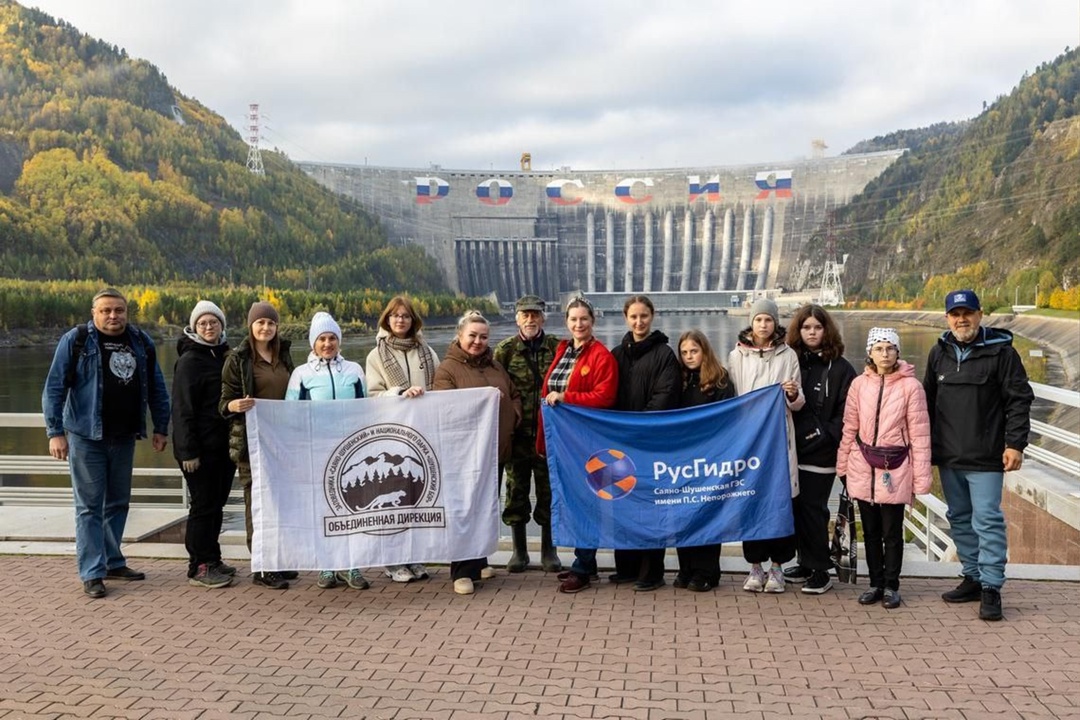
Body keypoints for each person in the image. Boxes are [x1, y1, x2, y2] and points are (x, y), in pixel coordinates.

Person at [42, 287, 170, 599]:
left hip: (124, 436)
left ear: (127, 312)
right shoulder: (77, 340)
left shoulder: (141, 341)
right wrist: (55, 432)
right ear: (94, 313)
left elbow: (157, 387)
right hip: (87, 437)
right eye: (106, 311)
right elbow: (54, 387)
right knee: (88, 507)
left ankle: (112, 561)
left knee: (117, 503)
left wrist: (161, 427)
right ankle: (92, 572)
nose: (113, 316)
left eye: (119, 310)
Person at [924, 289, 1033, 622]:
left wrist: (1015, 445)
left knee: (987, 521)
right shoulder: (938, 353)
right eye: (955, 314)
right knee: (959, 518)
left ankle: (991, 587)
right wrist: (924, 448)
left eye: (967, 313)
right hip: (950, 455)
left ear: (980, 314)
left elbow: (1019, 400)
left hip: (987, 457)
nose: (962, 319)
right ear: (947, 318)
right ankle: (972, 576)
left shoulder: (1002, 353)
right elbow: (926, 404)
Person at [836, 328, 931, 609]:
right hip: (863, 463)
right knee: (871, 530)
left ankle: (892, 585)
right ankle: (875, 583)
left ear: (898, 352)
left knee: (892, 531)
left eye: (890, 348)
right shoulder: (859, 385)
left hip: (896, 466)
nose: (885, 353)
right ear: (870, 353)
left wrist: (921, 478)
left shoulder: (911, 387)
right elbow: (849, 427)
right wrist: (843, 464)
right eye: (879, 348)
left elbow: (920, 435)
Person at [432, 310, 522, 595]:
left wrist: (513, 415)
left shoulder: (495, 366)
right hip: (464, 457)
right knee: (464, 511)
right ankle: (461, 572)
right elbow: (445, 409)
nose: (478, 341)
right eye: (472, 336)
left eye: (483, 337)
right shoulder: (447, 369)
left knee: (486, 508)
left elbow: (514, 394)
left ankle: (480, 561)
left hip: (495, 452)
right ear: (460, 336)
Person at [540, 296, 619, 594]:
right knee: (573, 499)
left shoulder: (601, 356)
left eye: (584, 319)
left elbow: (605, 397)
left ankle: (583, 567)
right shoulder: (563, 351)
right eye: (573, 319)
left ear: (592, 321)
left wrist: (567, 398)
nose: (578, 324)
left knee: (587, 502)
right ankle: (586, 562)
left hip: (587, 442)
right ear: (567, 322)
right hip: (565, 442)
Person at [286, 312, 369, 591]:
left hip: (350, 452)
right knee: (323, 509)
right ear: (313, 342)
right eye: (322, 338)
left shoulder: (354, 370)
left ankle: (351, 565)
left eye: (332, 338)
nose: (327, 343)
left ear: (339, 341)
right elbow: (291, 414)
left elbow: (366, 408)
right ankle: (326, 565)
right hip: (317, 452)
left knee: (352, 506)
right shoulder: (302, 374)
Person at [727, 297, 804, 594]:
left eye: (768, 320)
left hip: (778, 438)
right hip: (749, 441)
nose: (763, 324)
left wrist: (792, 393)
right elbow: (732, 398)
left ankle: (778, 566)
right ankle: (755, 566)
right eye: (758, 319)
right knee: (751, 499)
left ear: (775, 323)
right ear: (751, 322)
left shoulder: (788, 356)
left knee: (780, 501)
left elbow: (797, 404)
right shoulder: (737, 356)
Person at [220, 300, 296, 590]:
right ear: (251, 326)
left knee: (280, 502)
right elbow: (222, 404)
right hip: (251, 443)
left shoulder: (284, 355)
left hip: (282, 441)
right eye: (260, 322)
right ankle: (262, 565)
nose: (266, 327)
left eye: (271, 323)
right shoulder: (237, 359)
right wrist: (233, 404)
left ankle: (278, 560)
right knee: (257, 503)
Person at [783, 304, 857, 595]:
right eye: (806, 328)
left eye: (817, 327)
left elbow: (848, 411)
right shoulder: (792, 361)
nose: (812, 332)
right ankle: (805, 561)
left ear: (826, 330)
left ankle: (820, 570)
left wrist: (828, 436)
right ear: (798, 331)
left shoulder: (840, 367)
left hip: (822, 452)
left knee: (814, 509)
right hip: (793, 450)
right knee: (798, 509)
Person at [365, 295, 439, 584]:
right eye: (395, 316)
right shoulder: (375, 355)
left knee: (414, 497)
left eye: (406, 316)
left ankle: (412, 556)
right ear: (386, 319)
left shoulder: (427, 352)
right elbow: (371, 395)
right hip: (390, 435)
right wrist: (398, 392)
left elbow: (440, 385)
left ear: (413, 321)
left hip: (422, 434)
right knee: (390, 499)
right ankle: (392, 560)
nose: (400, 320)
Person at [610, 295, 682, 591]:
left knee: (652, 506)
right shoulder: (616, 353)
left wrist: (639, 426)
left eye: (644, 316)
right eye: (633, 317)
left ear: (652, 317)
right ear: (626, 318)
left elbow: (666, 395)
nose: (639, 322)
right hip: (621, 444)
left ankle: (651, 571)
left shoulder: (665, 354)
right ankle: (626, 567)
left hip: (652, 442)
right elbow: (607, 394)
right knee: (622, 502)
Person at [493, 295, 562, 573]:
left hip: (549, 437)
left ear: (543, 318)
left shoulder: (558, 348)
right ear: (517, 318)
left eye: (535, 314)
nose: (530, 319)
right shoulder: (505, 350)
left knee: (549, 494)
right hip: (518, 438)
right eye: (525, 315)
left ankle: (549, 551)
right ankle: (518, 552)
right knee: (516, 493)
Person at [172, 300, 235, 589]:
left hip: (224, 447)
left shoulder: (226, 355)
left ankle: (212, 557)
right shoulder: (189, 361)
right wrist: (188, 451)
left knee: (217, 504)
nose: (208, 327)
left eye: (213, 322)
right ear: (194, 327)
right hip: (199, 450)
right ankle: (198, 565)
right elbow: (182, 409)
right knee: (202, 506)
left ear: (222, 324)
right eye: (202, 323)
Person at [674, 330, 735, 592]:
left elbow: (728, 419)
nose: (689, 357)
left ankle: (706, 570)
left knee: (706, 514)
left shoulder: (720, 380)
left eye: (694, 351)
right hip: (682, 459)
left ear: (705, 351)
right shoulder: (680, 381)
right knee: (682, 513)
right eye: (685, 352)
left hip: (709, 460)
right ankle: (685, 567)